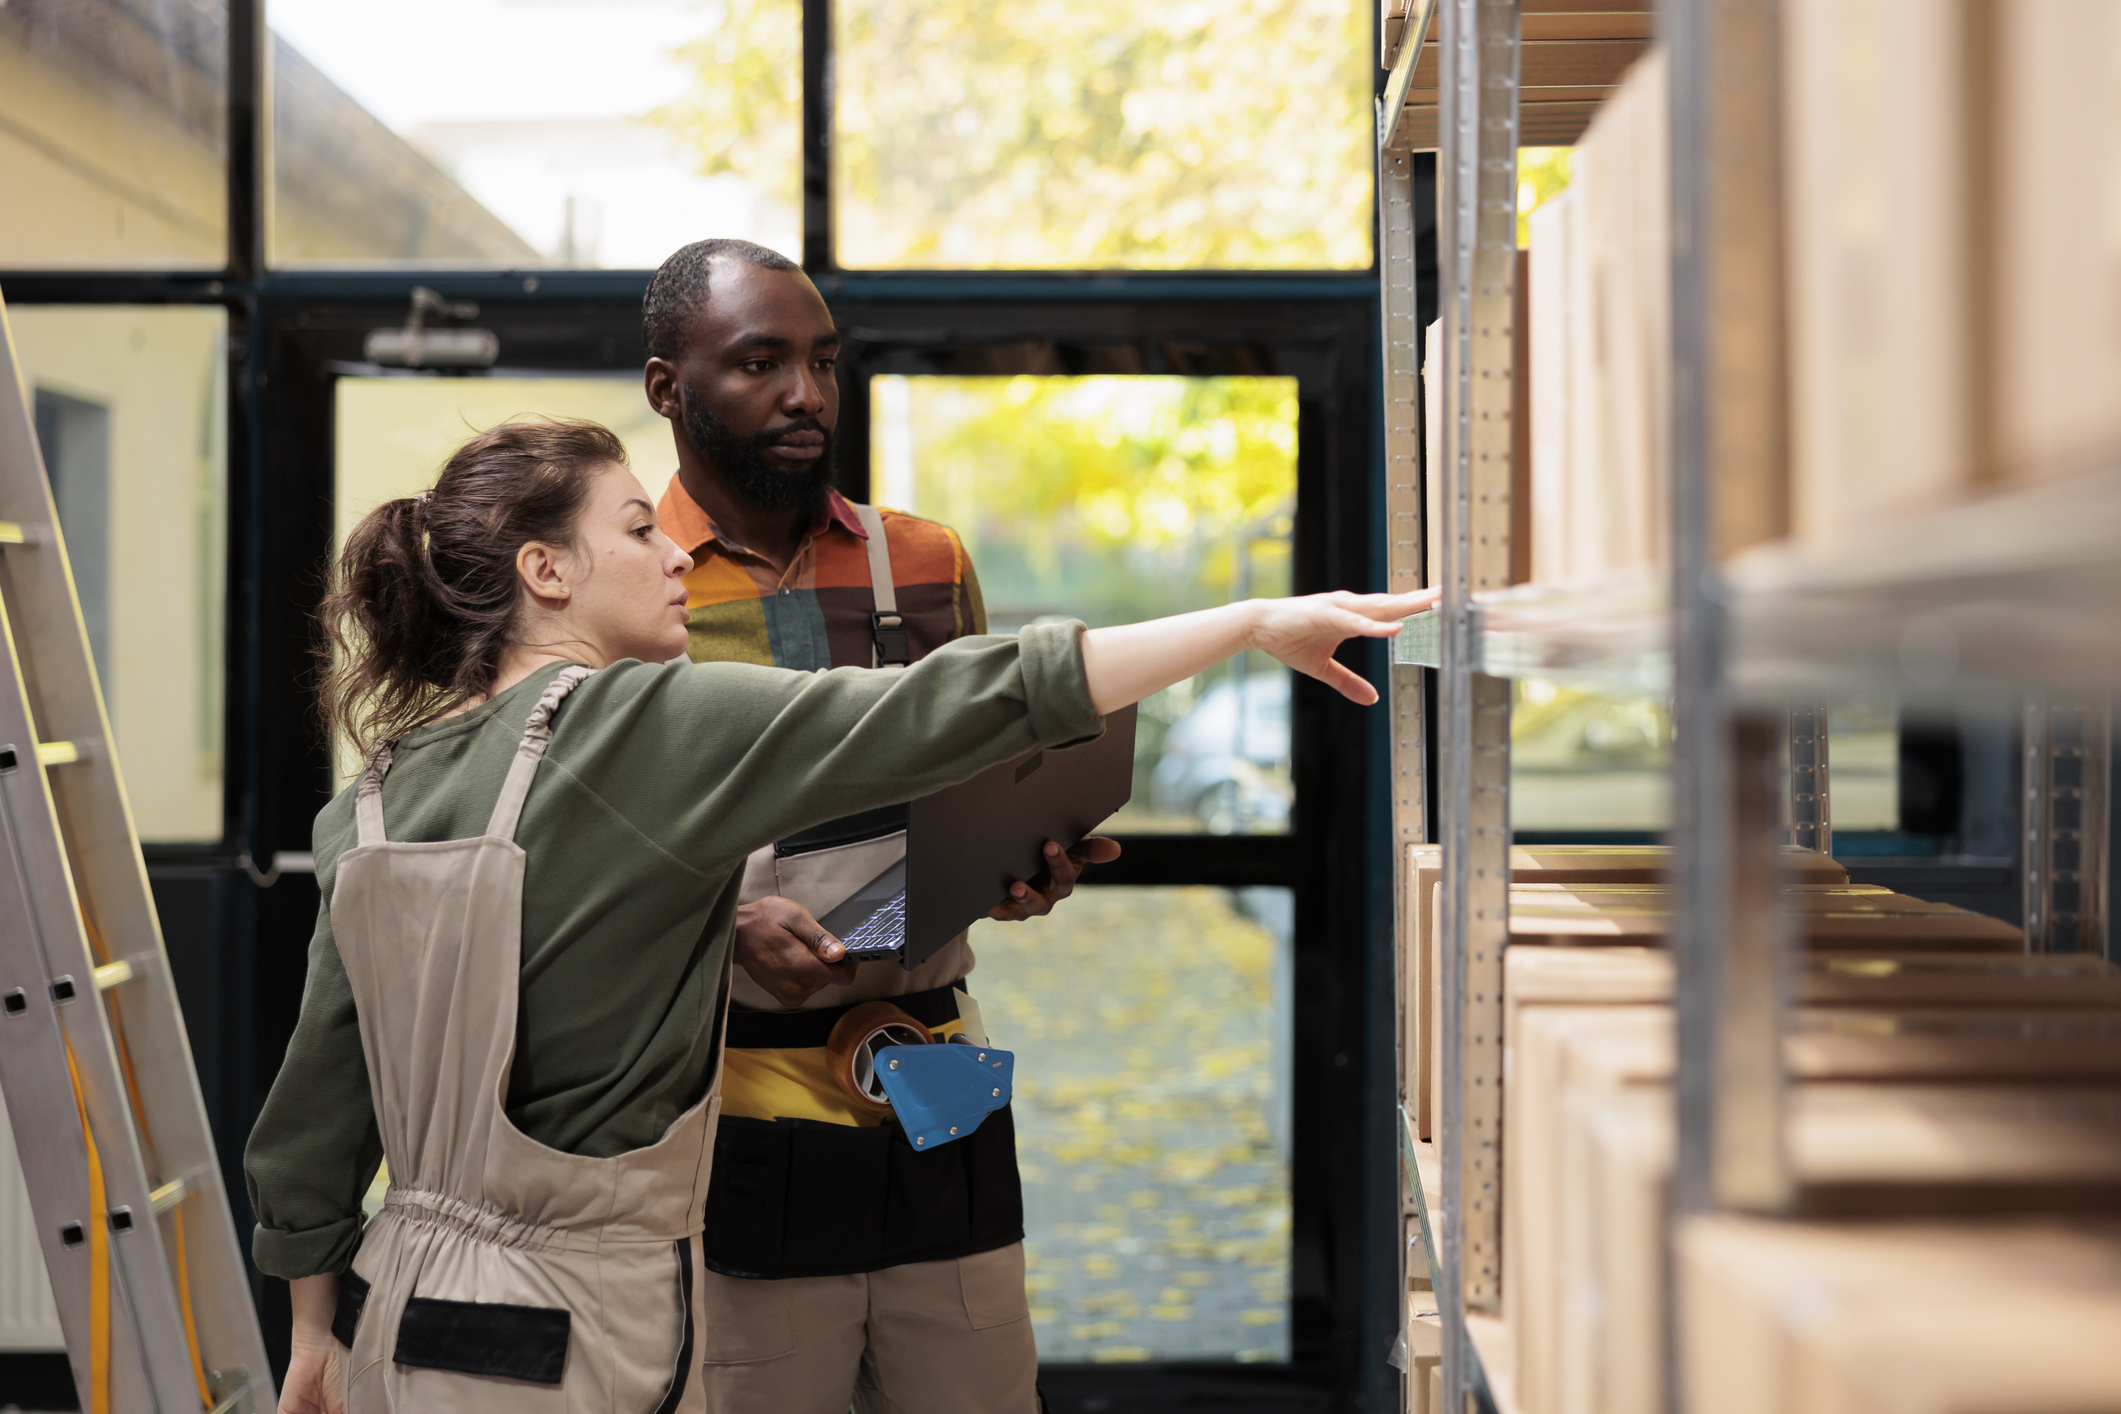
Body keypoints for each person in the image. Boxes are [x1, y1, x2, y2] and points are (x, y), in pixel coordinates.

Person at [244, 412, 1433, 1414]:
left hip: (402, 1304)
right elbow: (936, 708)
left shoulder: (373, 799)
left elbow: (316, 1108)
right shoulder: (638, 725)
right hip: (578, 1321)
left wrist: (312, 1334)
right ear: (545, 574)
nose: (673, 557)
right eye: (638, 528)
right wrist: (1244, 622)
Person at [638, 237, 1117, 1411]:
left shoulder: (927, 562)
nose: (807, 395)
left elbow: (980, 776)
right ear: (669, 388)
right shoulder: (632, 586)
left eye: (822, 362)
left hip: (936, 1076)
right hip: (734, 1101)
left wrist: (1023, 863)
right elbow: (569, 859)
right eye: (761, 363)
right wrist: (721, 921)